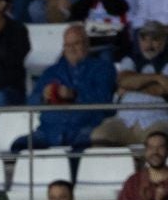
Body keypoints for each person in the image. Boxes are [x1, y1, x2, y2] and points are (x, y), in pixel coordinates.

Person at [15, 24, 116, 153]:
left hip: (84, 128)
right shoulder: (51, 71)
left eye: (76, 44)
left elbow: (104, 101)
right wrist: (43, 96)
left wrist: (74, 95)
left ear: (87, 44)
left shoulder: (103, 68)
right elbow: (30, 102)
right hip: (49, 130)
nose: (71, 49)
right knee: (19, 146)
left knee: (82, 148)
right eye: (67, 45)